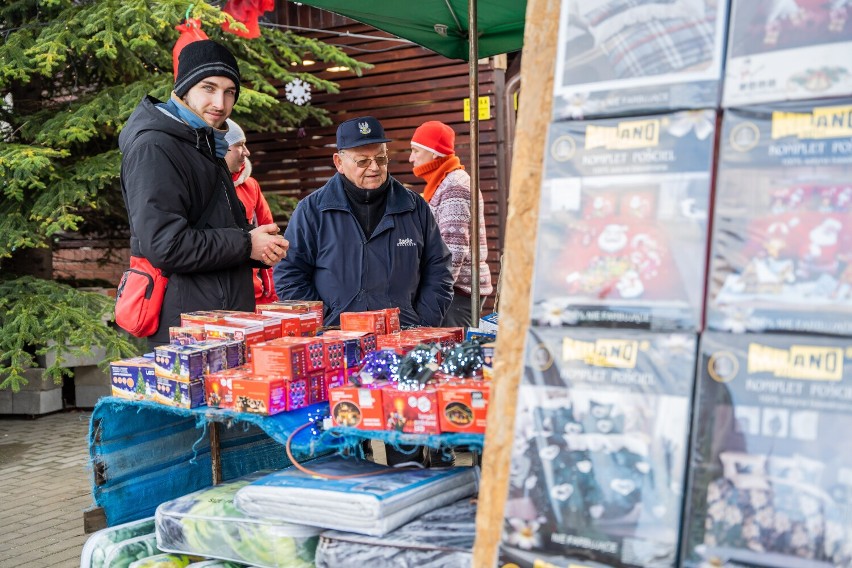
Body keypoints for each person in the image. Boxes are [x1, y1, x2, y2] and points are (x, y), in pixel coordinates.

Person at [119, 39, 288, 347]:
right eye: (208, 88)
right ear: (184, 88)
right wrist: (245, 244)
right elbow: (166, 245)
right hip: (189, 330)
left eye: (229, 92)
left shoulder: (203, 142)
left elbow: (213, 228)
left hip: (219, 320)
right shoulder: (155, 147)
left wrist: (259, 247)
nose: (220, 104)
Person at [274, 116, 453, 327]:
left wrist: (422, 324)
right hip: (336, 342)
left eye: (381, 158)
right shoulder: (312, 210)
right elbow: (289, 274)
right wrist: (325, 323)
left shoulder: (414, 207)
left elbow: (439, 270)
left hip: (404, 338)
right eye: (363, 161)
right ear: (339, 163)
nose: (375, 168)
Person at [409, 121, 493, 327]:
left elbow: (453, 249)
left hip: (457, 291)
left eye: (416, 151)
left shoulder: (455, 186)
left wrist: (434, 291)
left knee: (452, 353)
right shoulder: (443, 183)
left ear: (434, 153)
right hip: (453, 289)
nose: (411, 158)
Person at [224, 118, 279, 305]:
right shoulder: (202, 186)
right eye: (239, 145)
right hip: (217, 299)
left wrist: (270, 294)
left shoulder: (251, 186)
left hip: (255, 297)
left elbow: (269, 239)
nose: (247, 152)